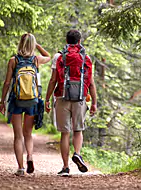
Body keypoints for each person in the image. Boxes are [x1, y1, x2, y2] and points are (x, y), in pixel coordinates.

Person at [45, 30, 97, 176]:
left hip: (61, 97)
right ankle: (77, 154)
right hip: (80, 98)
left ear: (66, 41)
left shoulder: (59, 57)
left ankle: (66, 167)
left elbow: (53, 80)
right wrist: (94, 102)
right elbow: (91, 83)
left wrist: (47, 98)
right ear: (79, 42)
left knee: (65, 133)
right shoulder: (86, 57)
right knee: (78, 130)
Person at [0, 33, 51, 176]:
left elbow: (7, 83)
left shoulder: (13, 61)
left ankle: (21, 168)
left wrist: (2, 101)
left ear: (20, 44)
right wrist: (37, 46)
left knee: (18, 136)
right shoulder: (36, 59)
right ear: (32, 45)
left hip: (16, 100)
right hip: (32, 101)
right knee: (28, 134)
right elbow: (49, 56)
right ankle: (30, 156)